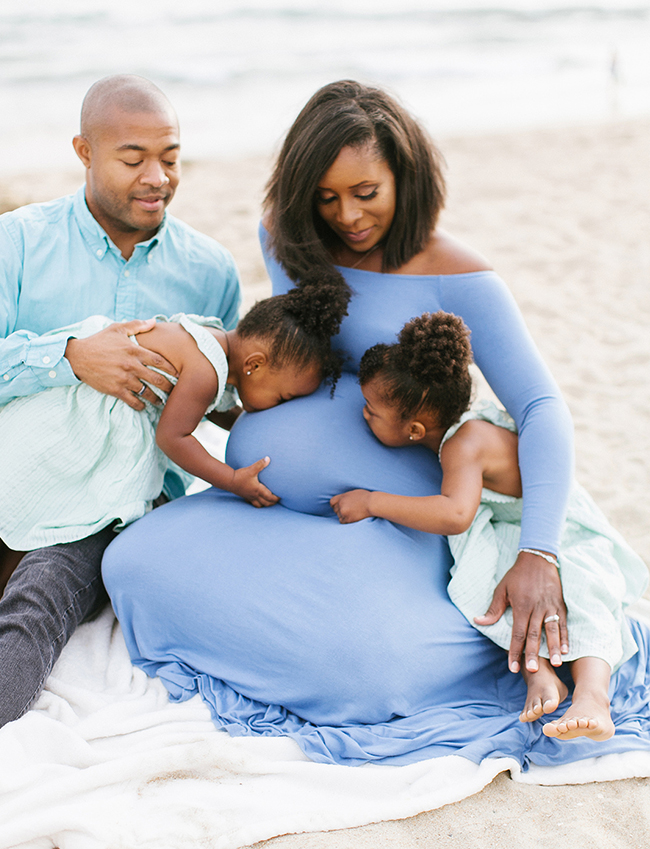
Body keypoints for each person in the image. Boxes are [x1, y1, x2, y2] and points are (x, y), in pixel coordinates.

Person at [103, 81, 650, 768]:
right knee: (133, 563)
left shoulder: (460, 278)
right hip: (280, 504)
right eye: (326, 197)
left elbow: (542, 409)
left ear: (406, 174)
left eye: (367, 192)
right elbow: (292, 359)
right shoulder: (289, 239)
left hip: (410, 515)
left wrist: (537, 551)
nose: (348, 217)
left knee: (366, 668)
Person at [0, 74, 241, 727]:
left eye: (170, 157)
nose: (157, 176)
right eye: (134, 159)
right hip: (18, 476)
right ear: (83, 151)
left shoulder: (212, 268)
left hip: (120, 508)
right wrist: (71, 357)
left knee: (39, 597)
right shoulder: (18, 243)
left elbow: (230, 400)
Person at [330, 311, 649, 741]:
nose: (364, 416)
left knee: (583, 592)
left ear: (415, 429)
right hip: (511, 526)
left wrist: (373, 502)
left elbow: (455, 514)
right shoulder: (454, 430)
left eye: (372, 411)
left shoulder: (464, 443)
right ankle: (541, 674)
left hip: (559, 528)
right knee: (492, 587)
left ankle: (593, 694)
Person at [0, 274, 348, 551]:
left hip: (68, 400)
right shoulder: (206, 373)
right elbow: (173, 437)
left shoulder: (210, 340)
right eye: (283, 398)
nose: (279, 409)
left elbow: (211, 407)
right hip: (78, 423)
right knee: (54, 507)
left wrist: (239, 421)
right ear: (254, 365)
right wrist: (231, 480)